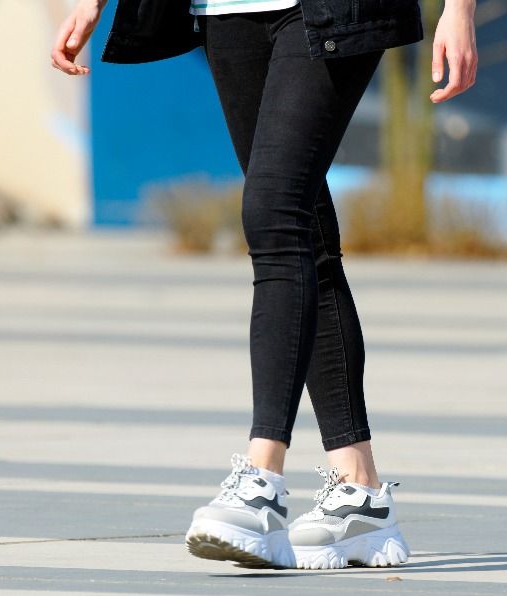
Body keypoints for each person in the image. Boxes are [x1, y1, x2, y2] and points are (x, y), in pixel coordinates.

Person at [52, 0, 477, 570]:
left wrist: (460, 8)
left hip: (329, 8)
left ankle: (262, 482)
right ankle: (361, 496)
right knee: (304, 230)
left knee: (274, 212)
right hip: (227, 11)